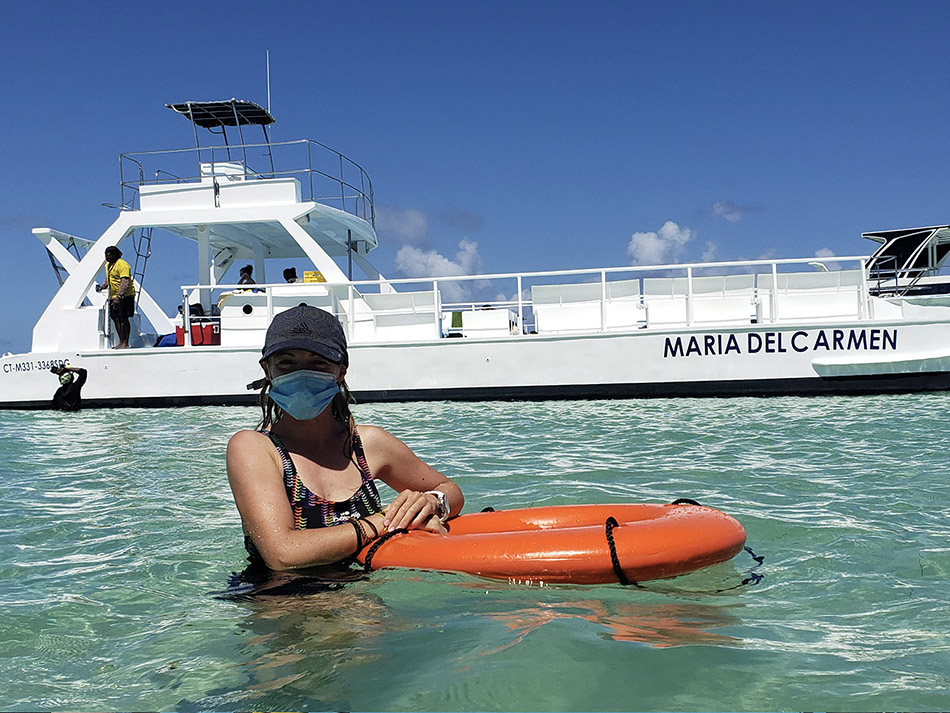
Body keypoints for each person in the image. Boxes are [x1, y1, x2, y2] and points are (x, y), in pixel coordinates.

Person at [226, 305, 464, 571]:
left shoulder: (368, 445)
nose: (301, 374)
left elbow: (450, 490)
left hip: (361, 595)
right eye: (286, 363)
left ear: (341, 371)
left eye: (318, 363)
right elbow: (283, 554)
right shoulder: (255, 448)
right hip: (282, 602)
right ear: (267, 371)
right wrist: (387, 520)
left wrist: (431, 501)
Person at [97, 245, 136, 349]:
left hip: (125, 296)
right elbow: (108, 277)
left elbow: (125, 282)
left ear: (116, 255)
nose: (108, 257)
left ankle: (125, 342)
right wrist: (104, 286)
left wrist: (119, 297)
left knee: (124, 318)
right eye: (106, 255)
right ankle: (121, 341)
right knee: (116, 318)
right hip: (113, 296)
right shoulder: (108, 265)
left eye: (110, 255)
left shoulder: (123, 265)